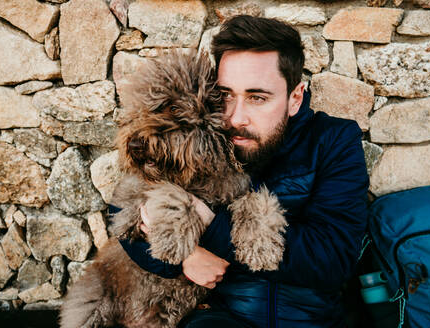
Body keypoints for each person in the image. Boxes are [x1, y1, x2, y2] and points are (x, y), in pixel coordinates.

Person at [114, 15, 369, 328]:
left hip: (311, 319)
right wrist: (186, 258)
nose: (235, 118)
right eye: (225, 95)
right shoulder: (205, 134)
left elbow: (333, 259)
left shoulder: (333, 141)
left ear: (295, 98)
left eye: (257, 97)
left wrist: (213, 225)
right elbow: (127, 209)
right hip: (219, 315)